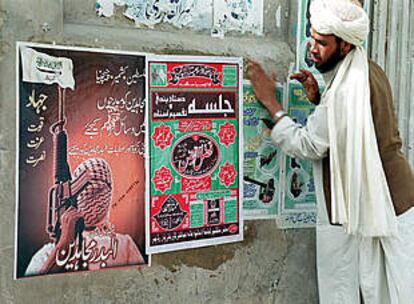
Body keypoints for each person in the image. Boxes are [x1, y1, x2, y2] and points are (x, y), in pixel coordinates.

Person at [246, 0, 414, 303]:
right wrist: (319, 99)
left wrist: (270, 101)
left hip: (382, 202)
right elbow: (350, 125)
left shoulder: (343, 90)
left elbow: (308, 144)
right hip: (390, 196)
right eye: (313, 38)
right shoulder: (368, 70)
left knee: (370, 290)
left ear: (345, 46)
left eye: (322, 43)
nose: (313, 48)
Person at [25, 158, 145, 276]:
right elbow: (33, 288)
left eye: (99, 189)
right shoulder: (47, 254)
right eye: (86, 189)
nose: (93, 193)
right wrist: (64, 243)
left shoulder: (124, 245)